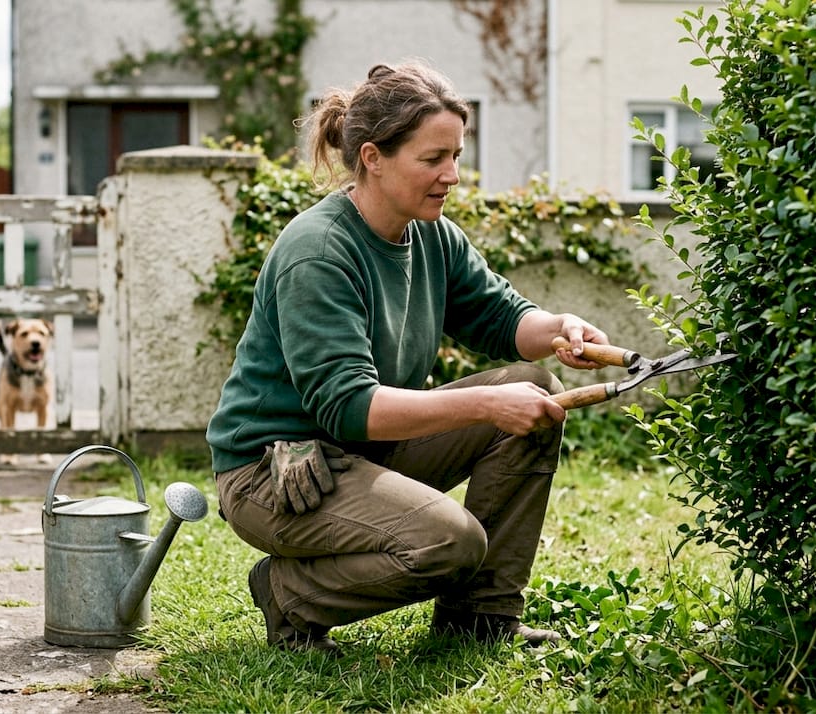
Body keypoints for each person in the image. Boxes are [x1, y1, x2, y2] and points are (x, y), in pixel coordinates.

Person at [206, 61, 611, 655]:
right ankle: (288, 592)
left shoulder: (432, 235)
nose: (451, 174)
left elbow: (500, 317)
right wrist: (486, 403)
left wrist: (560, 328)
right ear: (372, 157)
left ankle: (480, 617)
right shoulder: (318, 251)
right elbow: (347, 406)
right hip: (276, 471)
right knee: (450, 542)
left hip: (362, 451)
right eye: (432, 159)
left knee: (535, 386)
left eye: (456, 155)